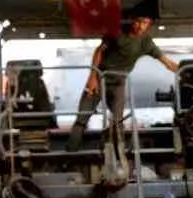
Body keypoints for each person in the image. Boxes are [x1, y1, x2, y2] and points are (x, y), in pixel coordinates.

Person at [65, 16, 182, 161]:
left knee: (118, 122)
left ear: (149, 25)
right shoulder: (117, 33)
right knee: (81, 119)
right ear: (132, 21)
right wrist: (92, 78)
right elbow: (99, 51)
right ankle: (69, 157)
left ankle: (118, 158)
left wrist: (186, 71)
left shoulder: (146, 43)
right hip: (99, 80)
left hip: (118, 84)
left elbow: (167, 63)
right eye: (138, 21)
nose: (140, 26)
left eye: (144, 23)